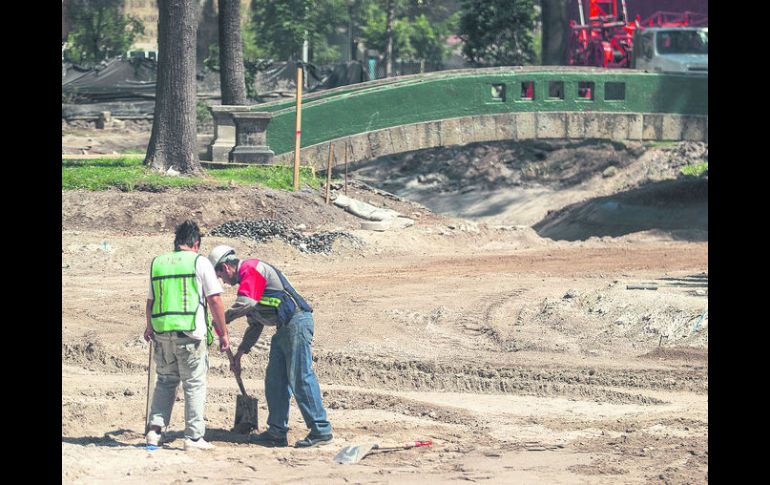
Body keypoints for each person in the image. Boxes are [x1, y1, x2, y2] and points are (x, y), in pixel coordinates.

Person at [208, 244, 333, 448]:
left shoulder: (251, 268)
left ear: (225, 267)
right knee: (275, 381)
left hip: (297, 323)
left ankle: (321, 430)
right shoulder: (247, 283)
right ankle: (276, 432)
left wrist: (222, 319)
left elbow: (246, 303)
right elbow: (255, 324)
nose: (223, 281)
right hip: (284, 328)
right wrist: (240, 352)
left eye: (220, 275)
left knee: (300, 377)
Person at [144, 220, 230, 451]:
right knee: (194, 383)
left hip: (161, 333)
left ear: (176, 242)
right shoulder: (199, 262)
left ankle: (154, 432)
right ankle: (193, 438)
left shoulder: (158, 262)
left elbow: (150, 302)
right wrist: (223, 333)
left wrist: (149, 327)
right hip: (190, 333)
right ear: (196, 243)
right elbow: (214, 300)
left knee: (165, 381)